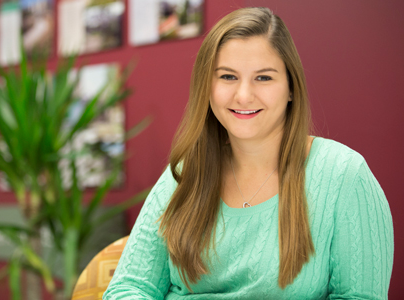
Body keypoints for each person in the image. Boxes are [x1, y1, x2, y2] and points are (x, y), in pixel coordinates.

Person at [103, 7, 393, 299]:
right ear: (207, 86)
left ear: (291, 88)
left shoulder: (344, 176)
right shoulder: (185, 172)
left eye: (263, 78)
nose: (243, 95)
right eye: (228, 77)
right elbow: (130, 288)